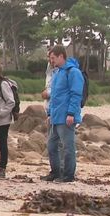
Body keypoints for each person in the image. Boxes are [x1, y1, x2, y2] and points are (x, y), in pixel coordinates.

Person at [41, 45, 84, 183]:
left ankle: (68, 175)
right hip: (55, 116)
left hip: (66, 116)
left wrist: (71, 113)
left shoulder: (73, 72)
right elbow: (54, 96)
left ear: (61, 56)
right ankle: (55, 172)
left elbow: (76, 94)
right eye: (50, 58)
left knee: (67, 146)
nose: (51, 61)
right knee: (52, 146)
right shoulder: (57, 73)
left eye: (53, 58)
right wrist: (49, 114)